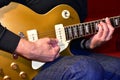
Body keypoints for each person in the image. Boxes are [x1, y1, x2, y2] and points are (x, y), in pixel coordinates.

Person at [0, 0, 120, 80]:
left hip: (61, 57)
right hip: (17, 65)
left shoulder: (80, 2)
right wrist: (29, 48)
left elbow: (66, 39)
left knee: (117, 67)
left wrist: (88, 44)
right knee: (85, 68)